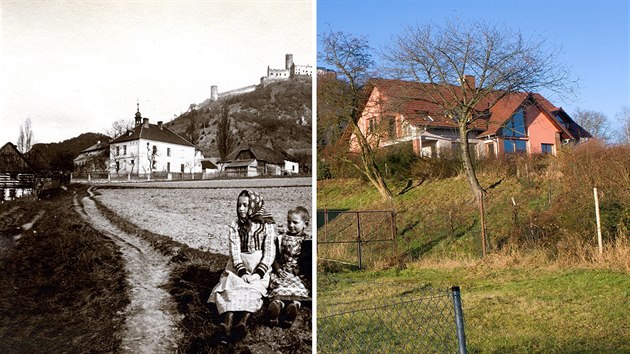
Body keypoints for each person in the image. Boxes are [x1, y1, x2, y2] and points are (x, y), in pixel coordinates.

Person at [208, 190, 276, 337]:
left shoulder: (267, 225)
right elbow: (235, 251)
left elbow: (270, 252)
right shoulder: (235, 225)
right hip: (238, 266)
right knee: (228, 287)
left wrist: (258, 273)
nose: (241, 209)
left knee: (255, 291)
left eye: (245, 205)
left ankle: (243, 322)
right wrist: (242, 271)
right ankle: (227, 321)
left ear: (254, 206)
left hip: (258, 266)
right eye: (239, 205)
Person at [268, 206, 311, 326]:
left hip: (297, 274)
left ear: (305, 224)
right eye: (289, 222)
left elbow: (306, 261)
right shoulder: (281, 239)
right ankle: (276, 306)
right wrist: (278, 269)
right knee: (278, 287)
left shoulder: (307, 241)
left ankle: (293, 308)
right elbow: (275, 257)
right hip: (282, 272)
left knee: (299, 289)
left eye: (295, 222)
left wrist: (294, 273)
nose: (291, 225)